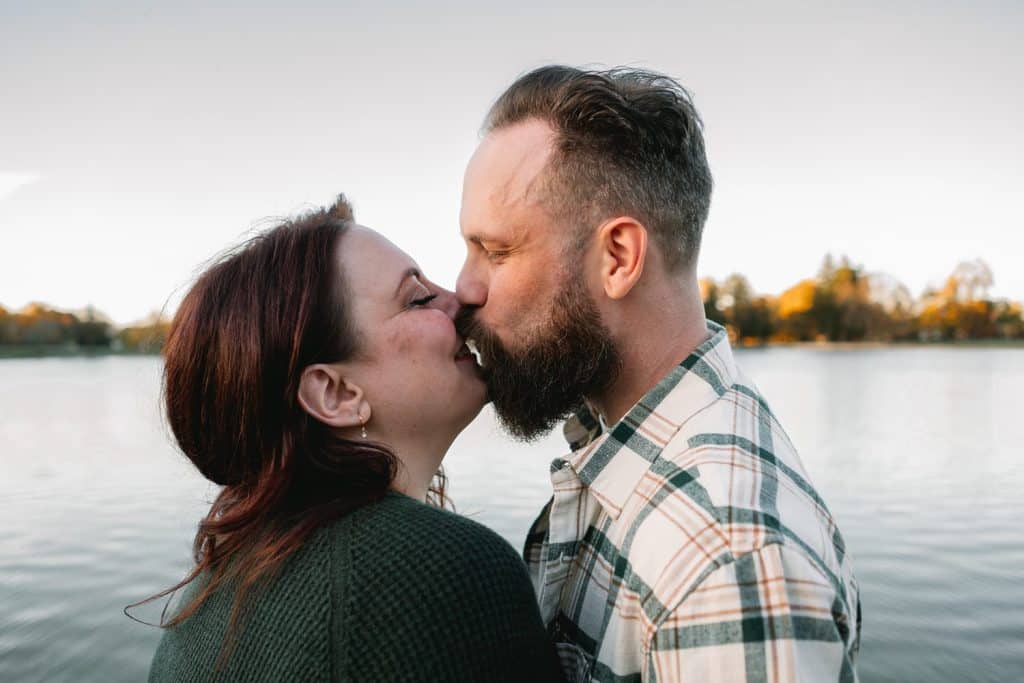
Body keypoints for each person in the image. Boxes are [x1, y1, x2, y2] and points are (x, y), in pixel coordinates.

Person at [455, 66, 862, 682]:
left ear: (618, 258)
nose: (464, 288)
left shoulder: (726, 565)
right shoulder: (620, 445)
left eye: (498, 251)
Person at [143, 197, 563, 682]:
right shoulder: (442, 570)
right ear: (337, 393)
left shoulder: (207, 598)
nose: (459, 299)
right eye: (418, 299)